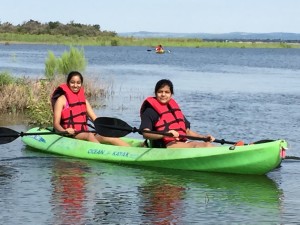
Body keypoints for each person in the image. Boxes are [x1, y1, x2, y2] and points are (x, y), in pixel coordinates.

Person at [51, 71, 130, 146]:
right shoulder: (61, 100)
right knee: (89, 135)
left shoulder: (84, 101)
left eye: (78, 83)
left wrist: (107, 129)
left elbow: (95, 119)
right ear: (68, 83)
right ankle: (102, 153)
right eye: (72, 82)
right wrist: (65, 131)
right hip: (71, 134)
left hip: (84, 132)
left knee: (108, 137)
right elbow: (56, 124)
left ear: (81, 84)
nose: (75, 85)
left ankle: (131, 151)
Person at [139, 79, 215, 148]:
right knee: (199, 146)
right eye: (160, 92)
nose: (163, 95)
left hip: (182, 142)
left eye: (167, 92)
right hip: (166, 146)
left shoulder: (174, 110)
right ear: (155, 93)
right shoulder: (150, 111)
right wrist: (165, 134)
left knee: (208, 144)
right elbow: (146, 134)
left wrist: (203, 138)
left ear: (171, 94)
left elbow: (187, 131)